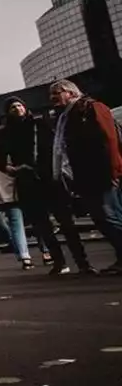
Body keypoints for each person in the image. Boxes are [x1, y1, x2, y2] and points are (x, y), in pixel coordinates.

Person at [0, 96, 95, 275]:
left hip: (50, 178)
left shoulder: (40, 124)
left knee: (66, 223)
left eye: (19, 105)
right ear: (7, 113)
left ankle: (83, 263)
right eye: (12, 107)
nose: (17, 109)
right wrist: (13, 169)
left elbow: (56, 148)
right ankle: (59, 262)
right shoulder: (5, 133)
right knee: (42, 226)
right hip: (28, 180)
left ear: (25, 107)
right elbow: (0, 160)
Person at [49, 79, 122, 273]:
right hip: (86, 177)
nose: (53, 98)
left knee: (109, 216)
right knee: (102, 218)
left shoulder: (91, 108)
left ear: (71, 93)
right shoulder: (66, 116)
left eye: (57, 93)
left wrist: (113, 171)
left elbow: (109, 139)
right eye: (51, 95)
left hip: (102, 174)